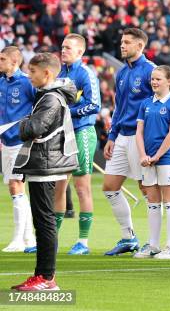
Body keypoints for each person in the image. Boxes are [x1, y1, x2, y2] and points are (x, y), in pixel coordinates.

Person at [10, 53, 78, 291]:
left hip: (46, 163)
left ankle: (46, 278)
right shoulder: (49, 96)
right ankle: (43, 276)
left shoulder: (50, 98)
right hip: (45, 162)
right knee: (44, 220)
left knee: (45, 221)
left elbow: (34, 128)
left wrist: (23, 123)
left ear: (46, 73)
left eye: (33, 72)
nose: (29, 76)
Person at [103, 27, 156, 256]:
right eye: (121, 42)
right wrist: (111, 136)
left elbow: (159, 105)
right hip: (121, 136)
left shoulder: (151, 71)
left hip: (139, 137)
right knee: (109, 188)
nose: (122, 45)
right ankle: (128, 237)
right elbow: (119, 107)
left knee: (146, 188)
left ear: (140, 46)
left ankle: (155, 242)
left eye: (127, 42)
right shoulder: (121, 73)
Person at [55, 33, 101, 255]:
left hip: (82, 132)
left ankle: (83, 242)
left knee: (82, 188)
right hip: (61, 134)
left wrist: (67, 112)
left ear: (80, 52)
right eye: (62, 47)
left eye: (68, 48)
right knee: (58, 187)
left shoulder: (86, 74)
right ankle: (50, 240)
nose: (63, 50)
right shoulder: (59, 72)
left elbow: (94, 105)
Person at [134, 66, 170, 259]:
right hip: (147, 160)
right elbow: (138, 132)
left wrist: (156, 156)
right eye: (152, 79)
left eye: (158, 79)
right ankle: (153, 245)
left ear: (169, 81)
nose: (154, 82)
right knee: (153, 203)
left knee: (169, 202)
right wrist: (143, 155)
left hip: (167, 158)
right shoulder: (145, 103)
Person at [0, 46, 36, 253]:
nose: (0, 61)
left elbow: (40, 105)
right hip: (6, 142)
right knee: (15, 188)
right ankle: (28, 238)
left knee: (16, 186)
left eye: (2, 59)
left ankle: (18, 239)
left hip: (22, 142)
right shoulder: (2, 82)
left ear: (15, 62)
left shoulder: (26, 83)